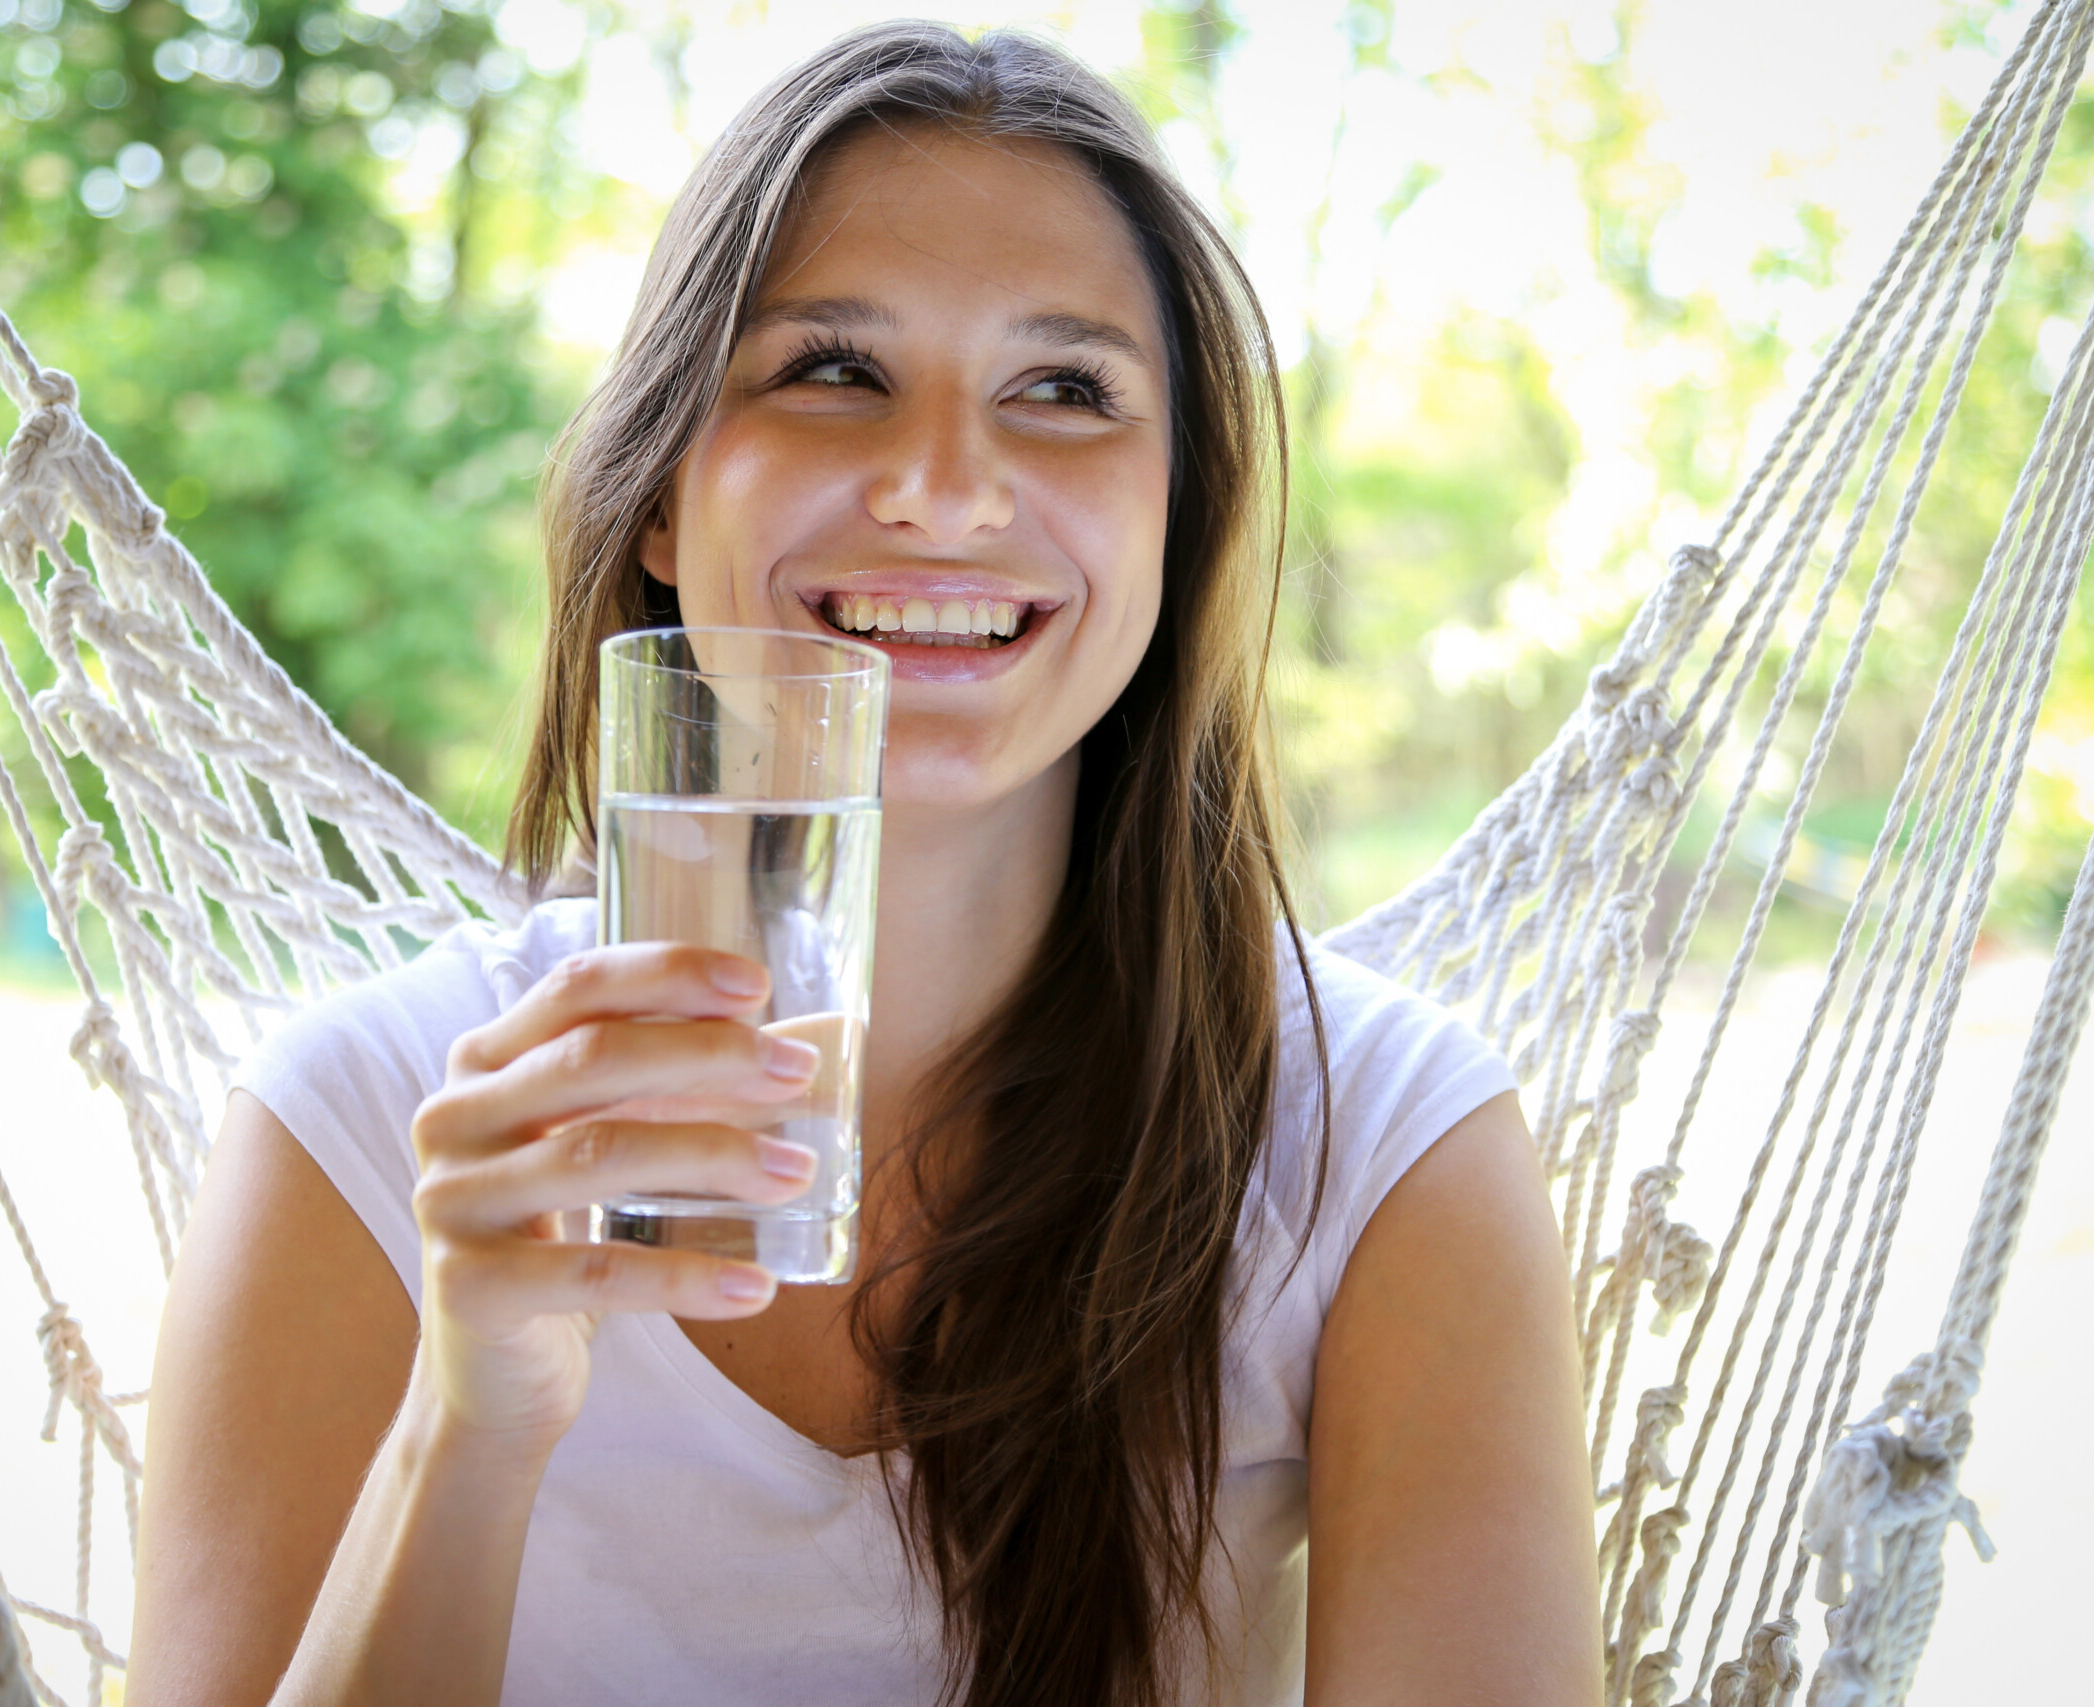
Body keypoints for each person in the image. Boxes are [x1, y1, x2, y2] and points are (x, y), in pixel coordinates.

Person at [126, 22, 1599, 1707]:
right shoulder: (368, 1122)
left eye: (1065, 391)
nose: (946, 490)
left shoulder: (1382, 1156)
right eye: (834, 370)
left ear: (1177, 520)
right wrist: (469, 1430)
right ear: (662, 501)